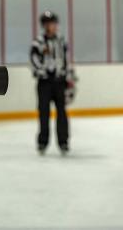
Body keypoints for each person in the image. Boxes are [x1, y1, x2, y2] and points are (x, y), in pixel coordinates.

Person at [30, 11, 72, 155]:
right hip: (45, 83)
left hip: (59, 82)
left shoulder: (61, 41)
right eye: (49, 24)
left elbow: (66, 60)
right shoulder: (38, 42)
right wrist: (43, 72)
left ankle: (63, 142)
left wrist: (68, 77)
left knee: (62, 112)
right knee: (44, 113)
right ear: (44, 26)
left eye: (54, 23)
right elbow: (34, 60)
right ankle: (42, 142)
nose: (52, 26)